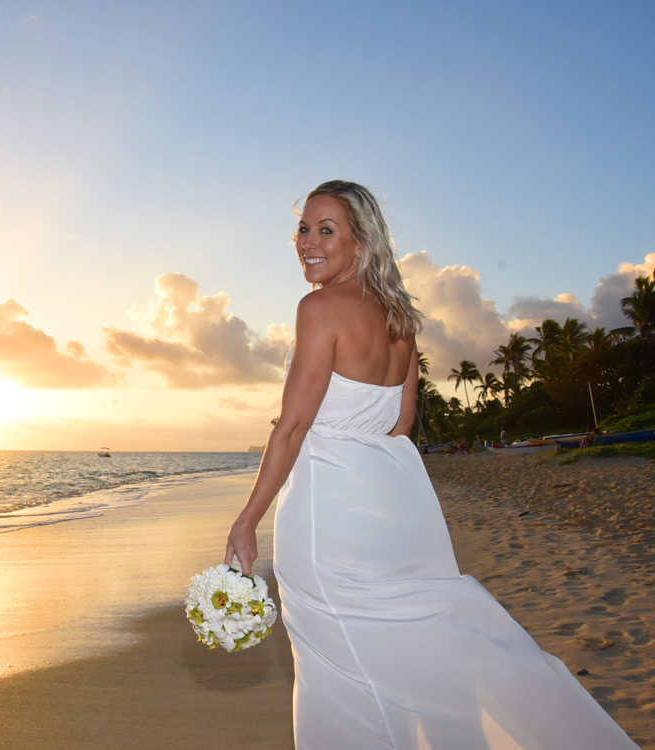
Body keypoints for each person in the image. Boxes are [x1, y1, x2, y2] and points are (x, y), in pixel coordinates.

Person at [224, 180, 638, 749]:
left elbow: (292, 428)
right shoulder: (400, 321)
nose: (308, 242)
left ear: (362, 242)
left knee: (338, 669)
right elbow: (400, 423)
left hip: (328, 514)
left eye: (327, 230)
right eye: (303, 227)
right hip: (392, 506)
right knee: (416, 641)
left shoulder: (318, 308)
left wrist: (247, 520)